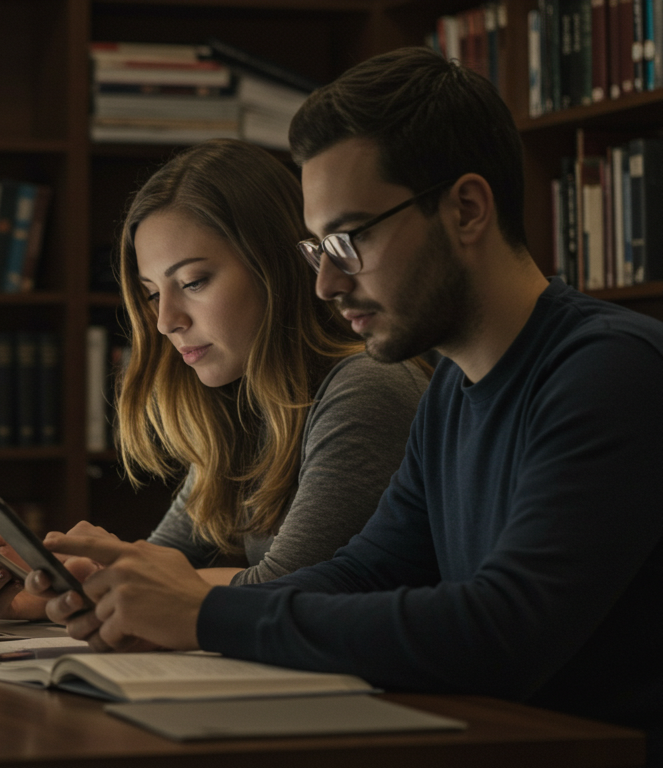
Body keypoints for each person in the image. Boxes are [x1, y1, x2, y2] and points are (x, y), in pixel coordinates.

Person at [38, 48, 663, 761]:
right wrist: (164, 610)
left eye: (349, 239)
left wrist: (206, 614)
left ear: (466, 208)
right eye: (316, 250)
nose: (328, 283)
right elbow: (361, 571)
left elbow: (504, 629)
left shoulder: (609, 370)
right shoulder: (453, 389)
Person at [0, 139, 430, 620]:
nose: (165, 320)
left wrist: (115, 578)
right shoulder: (242, 405)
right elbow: (161, 569)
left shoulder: (366, 387)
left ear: (277, 267)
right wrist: (61, 585)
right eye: (153, 294)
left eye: (193, 282)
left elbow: (285, 591)